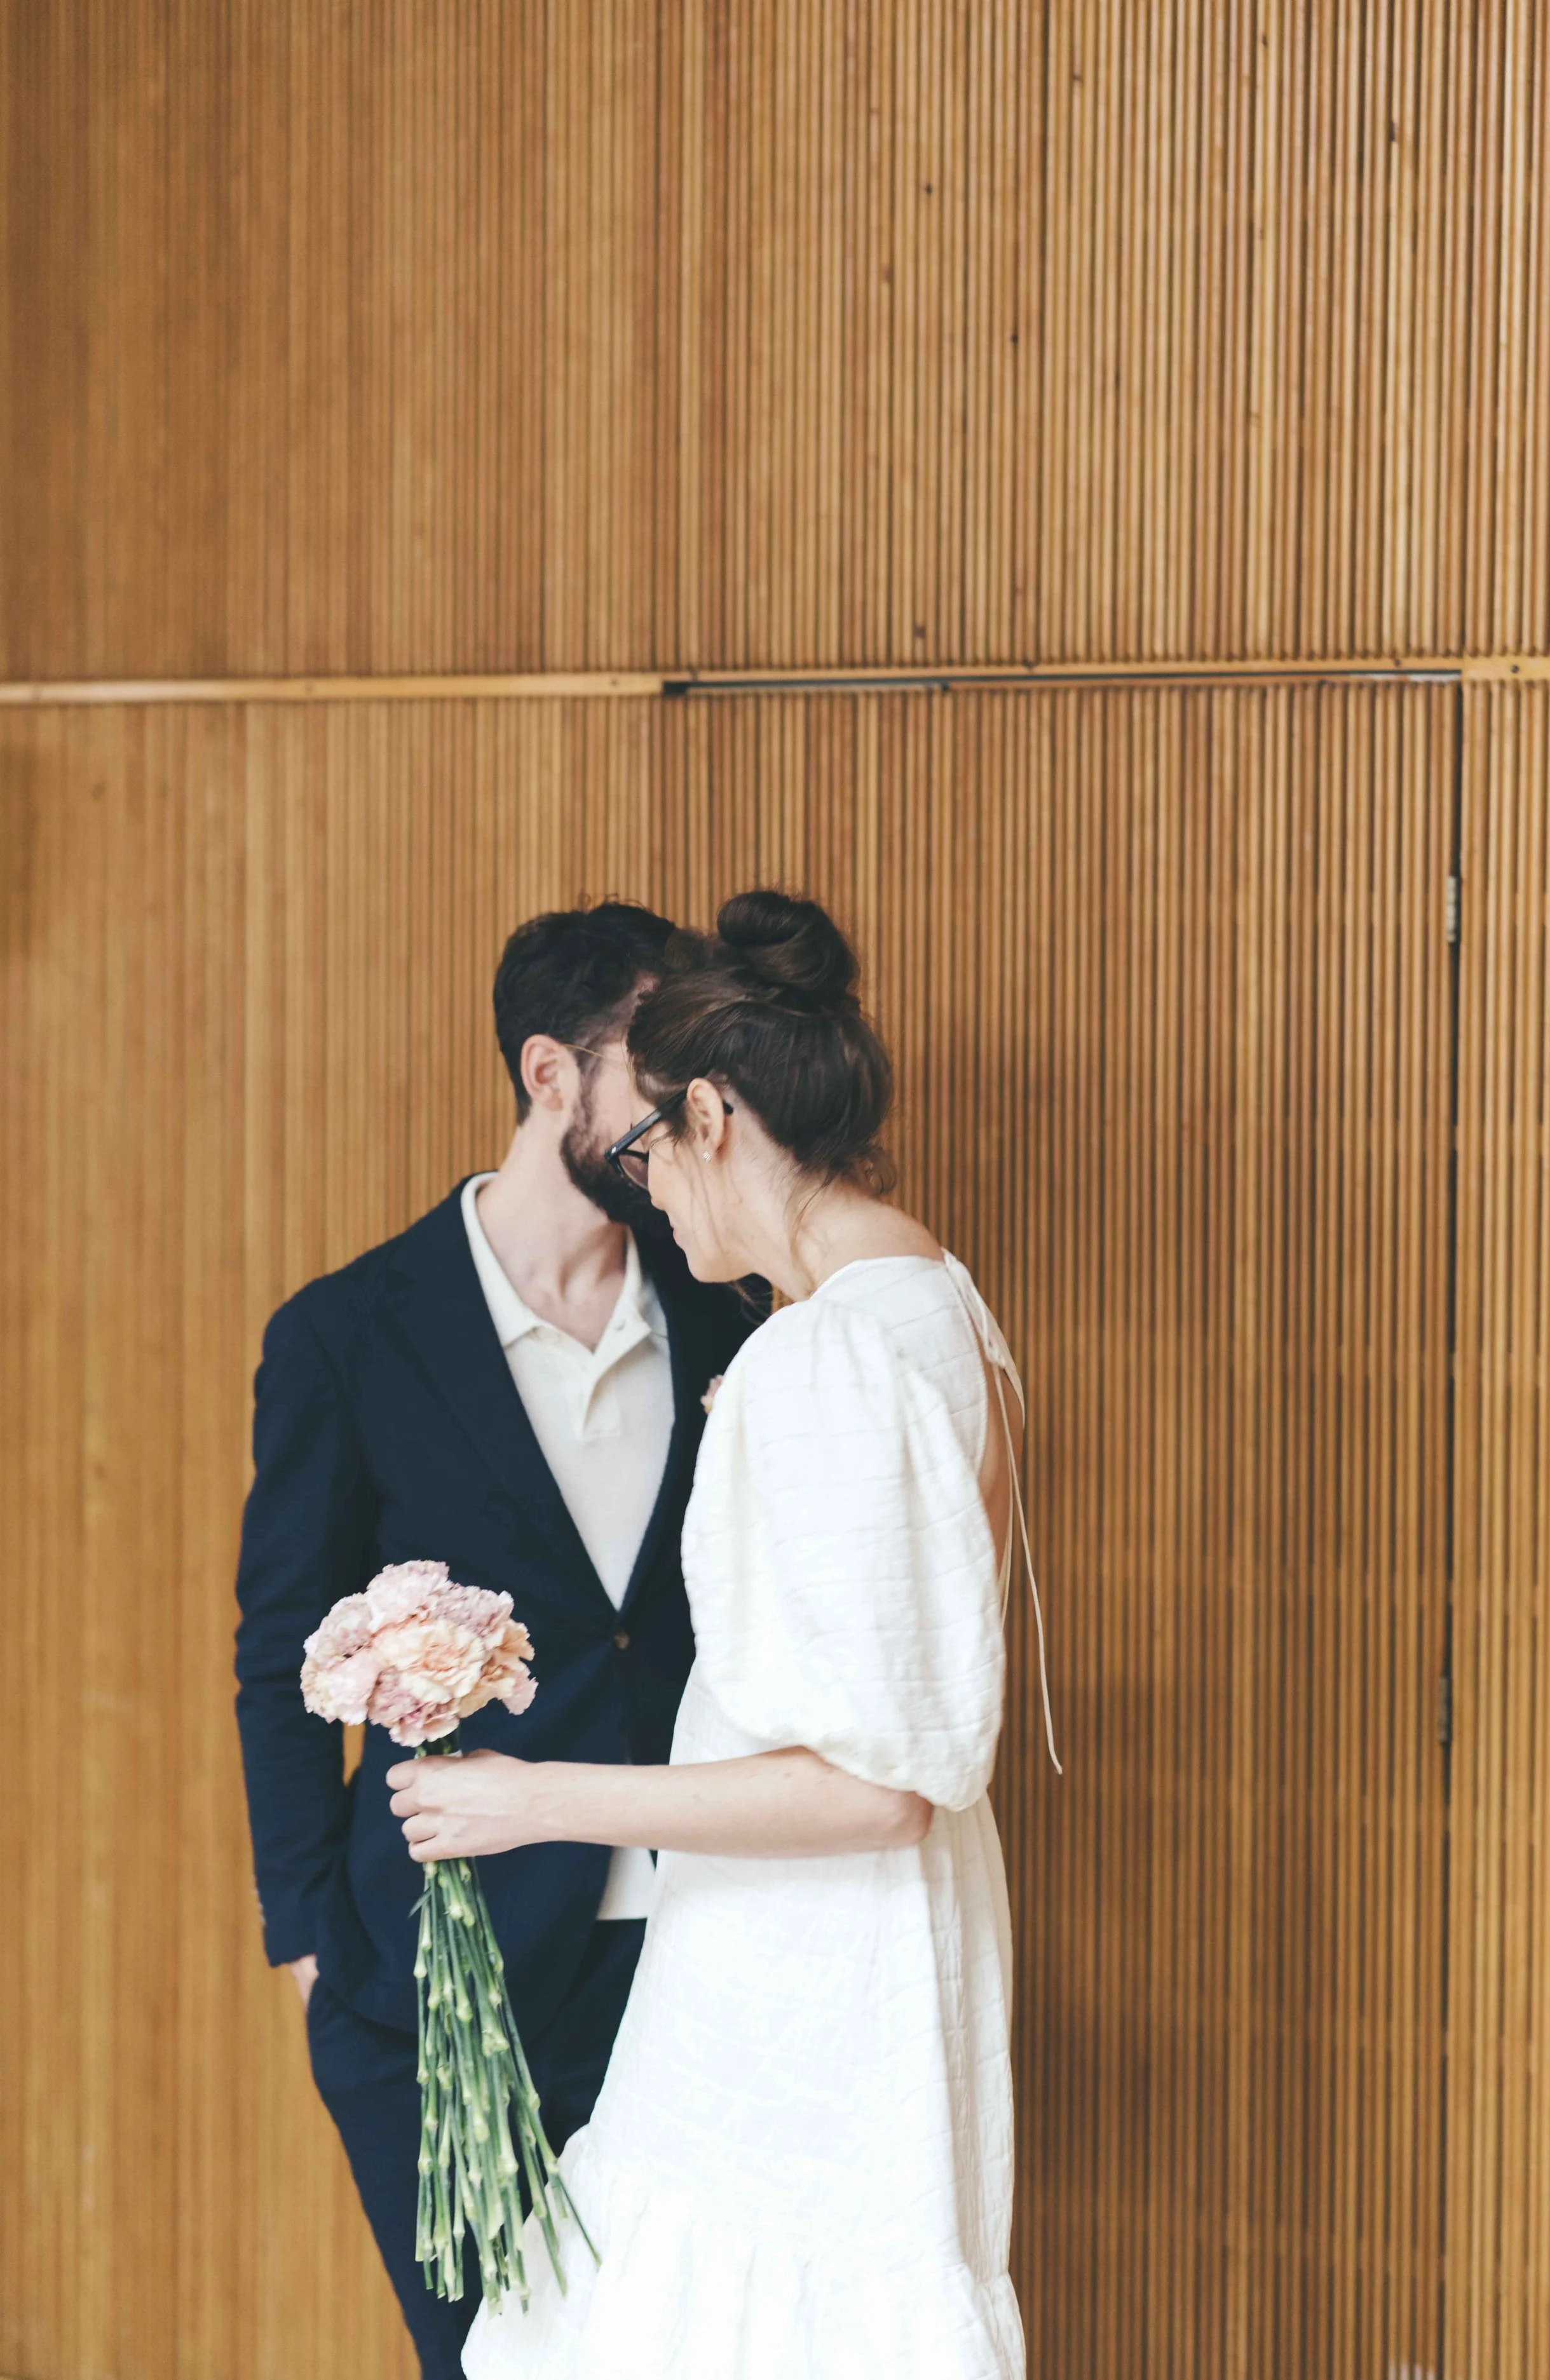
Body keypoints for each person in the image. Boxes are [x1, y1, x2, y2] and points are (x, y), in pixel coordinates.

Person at [390, 889, 1031, 2380]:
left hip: (802, 1954)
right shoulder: (933, 1299)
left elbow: (872, 1781)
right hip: (871, 1934)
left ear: (718, 1113)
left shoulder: (822, 1356)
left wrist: (522, 1800)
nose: (652, 1197)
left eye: (653, 1150)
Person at [233, 900, 759, 2380]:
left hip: (694, 1962)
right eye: (654, 1072)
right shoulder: (348, 1333)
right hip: (443, 1978)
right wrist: (310, 1955)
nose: (686, 1112)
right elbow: (281, 1660)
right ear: (549, 1075)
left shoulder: (722, 1318)